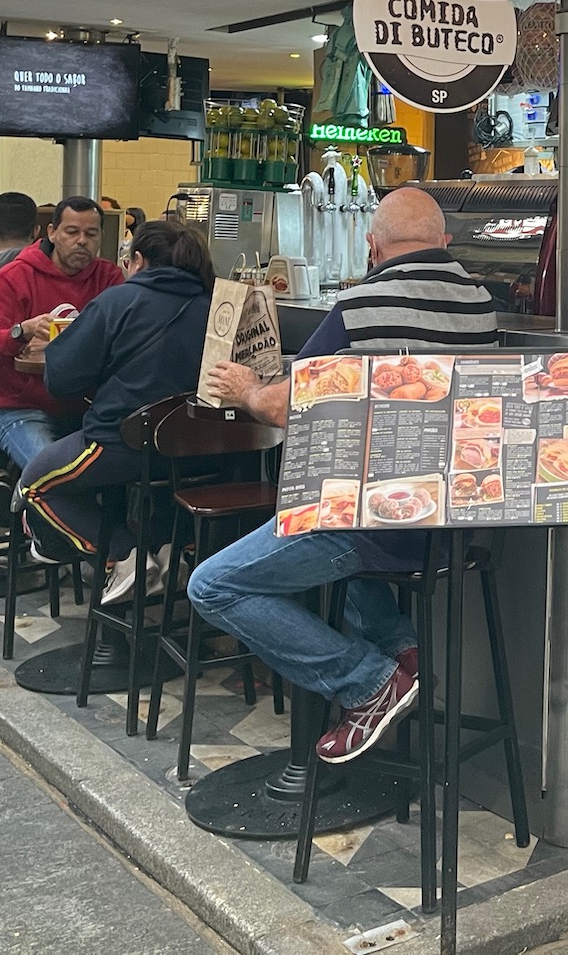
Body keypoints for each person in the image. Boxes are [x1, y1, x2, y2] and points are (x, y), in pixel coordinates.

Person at [195, 186, 497, 763]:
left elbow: (289, 407)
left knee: (214, 585)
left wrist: (248, 390)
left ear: (371, 245)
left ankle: (368, 682)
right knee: (348, 569)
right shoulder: (480, 303)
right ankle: (402, 652)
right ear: (445, 243)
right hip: (455, 518)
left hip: (372, 523)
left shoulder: (362, 305)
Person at [18, 220, 214, 600]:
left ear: (137, 260)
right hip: (199, 456)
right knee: (162, 487)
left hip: (122, 447)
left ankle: (125, 557)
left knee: (35, 485)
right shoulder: (217, 306)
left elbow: (63, 381)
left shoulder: (118, 301)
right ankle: (174, 552)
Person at [0, 196, 121, 469]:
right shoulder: (12, 279)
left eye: (90, 234)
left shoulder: (110, 278)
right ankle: (29, 501)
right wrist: (20, 332)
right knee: (54, 475)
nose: (81, 241)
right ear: (52, 233)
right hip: (18, 407)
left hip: (89, 408)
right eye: (72, 232)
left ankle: (25, 492)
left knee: (116, 470)